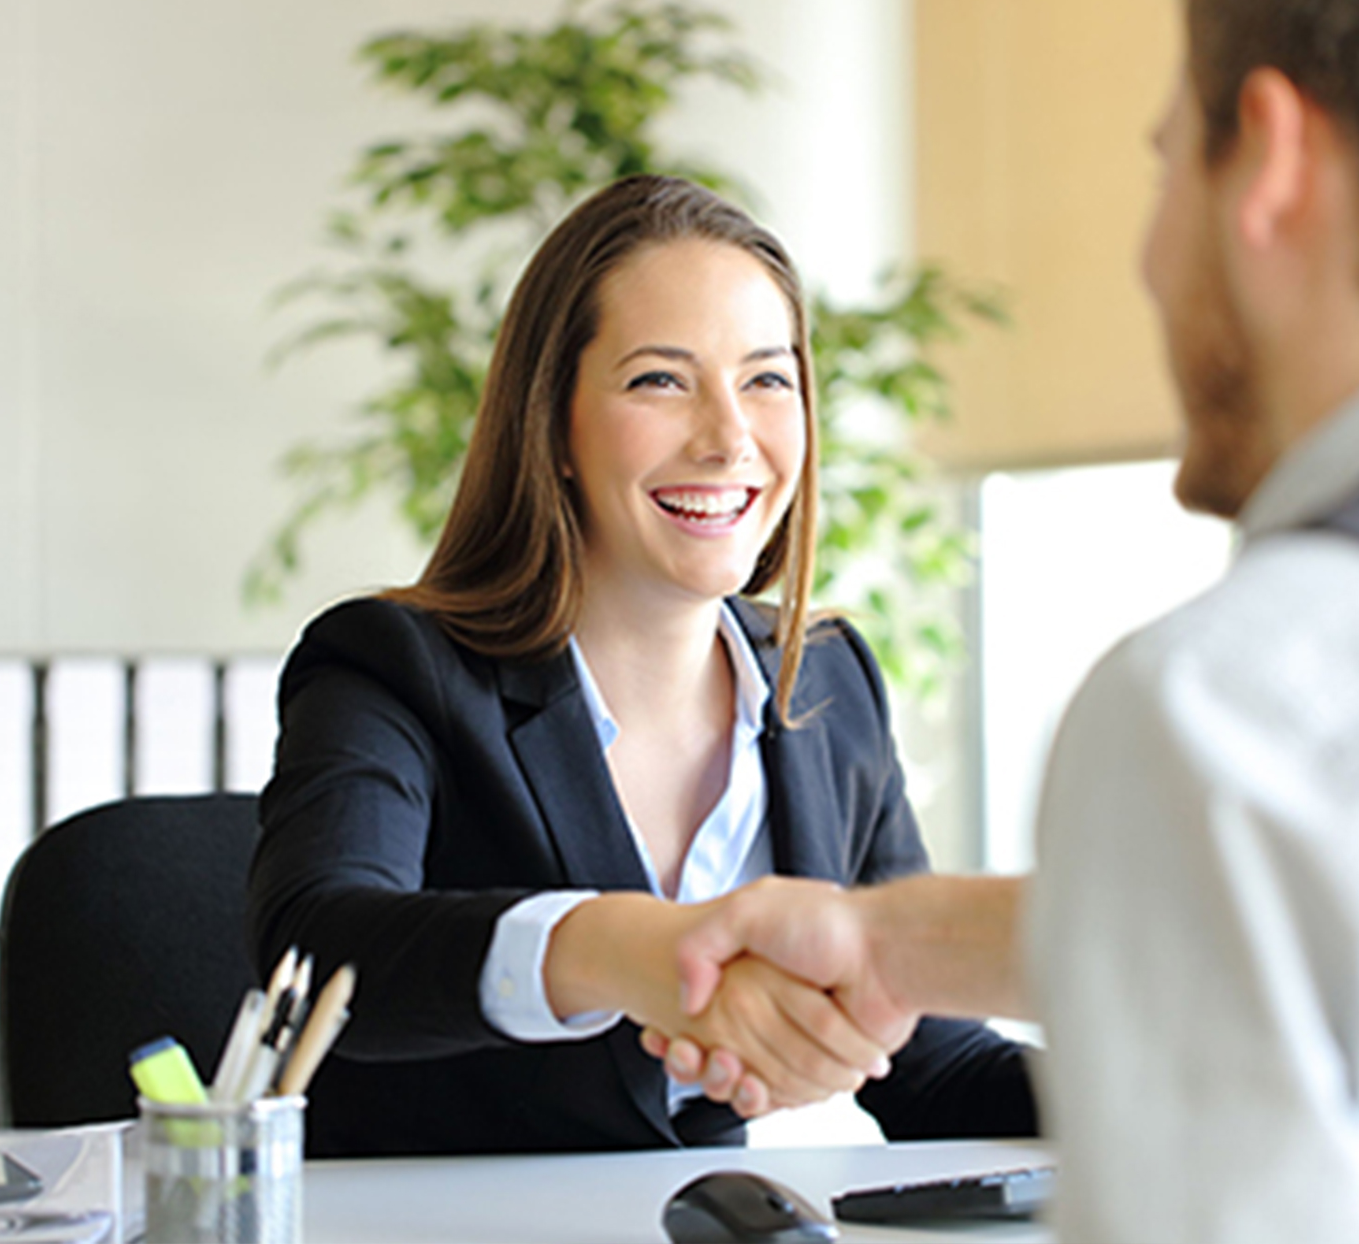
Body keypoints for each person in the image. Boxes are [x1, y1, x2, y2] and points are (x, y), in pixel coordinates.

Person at [654, 0, 1359, 1241]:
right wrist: (896, 940)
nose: (1150, 261)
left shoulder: (1233, 701)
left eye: (1165, 167)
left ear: (1268, 162)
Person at [247, 173, 1036, 1157]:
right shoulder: (395, 668)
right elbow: (317, 954)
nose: (729, 438)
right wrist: (628, 950)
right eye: (659, 379)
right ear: (555, 425)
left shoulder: (825, 682)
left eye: (767, 378)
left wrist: (1190, 1076)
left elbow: (940, 1068)